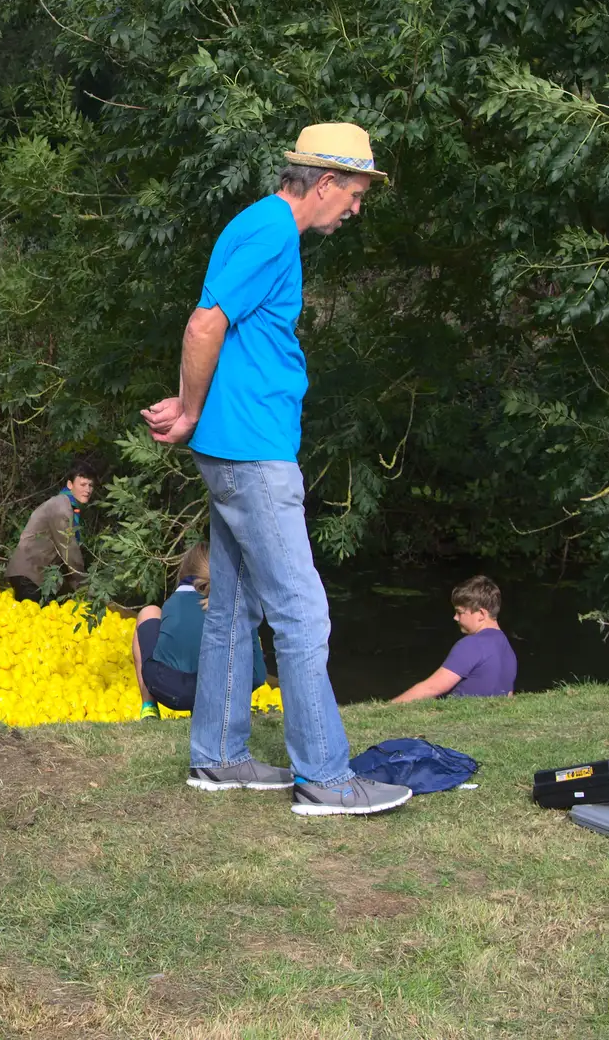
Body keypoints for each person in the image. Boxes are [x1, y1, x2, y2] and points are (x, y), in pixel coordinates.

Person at [141, 123, 413, 816]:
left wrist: (189, 403)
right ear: (324, 182)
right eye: (354, 193)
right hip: (253, 452)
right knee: (302, 611)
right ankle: (324, 776)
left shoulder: (254, 223)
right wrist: (194, 408)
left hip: (237, 448)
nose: (355, 208)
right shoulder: (272, 233)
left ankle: (220, 756)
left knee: (234, 606)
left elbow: (214, 325)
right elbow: (205, 324)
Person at [133, 542, 266, 719]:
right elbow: (257, 676)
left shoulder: (174, 603)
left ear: (184, 571)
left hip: (168, 689)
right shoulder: (238, 608)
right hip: (220, 695)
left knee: (148, 612)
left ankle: (149, 707)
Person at [391, 576, 517, 702]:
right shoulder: (507, 649)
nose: (455, 618)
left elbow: (432, 688)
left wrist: (385, 708)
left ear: (481, 614)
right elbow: (508, 695)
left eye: (460, 612)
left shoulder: (473, 644)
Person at [5, 462, 97, 602]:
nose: (88, 490)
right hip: (29, 575)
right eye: (82, 485)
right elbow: (69, 551)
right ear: (70, 485)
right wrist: (84, 587)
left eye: (90, 485)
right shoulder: (61, 508)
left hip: (36, 576)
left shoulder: (66, 505)